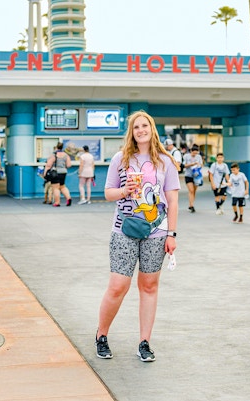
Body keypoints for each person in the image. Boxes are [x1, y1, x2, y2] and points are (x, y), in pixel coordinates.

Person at [96, 110, 180, 363]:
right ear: (131, 132)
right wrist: (124, 190)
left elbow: (173, 201)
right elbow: (108, 193)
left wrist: (172, 234)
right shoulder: (120, 159)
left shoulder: (165, 161)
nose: (141, 130)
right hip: (124, 230)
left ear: (152, 128)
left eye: (145, 125)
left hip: (157, 231)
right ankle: (101, 334)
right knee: (118, 286)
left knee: (149, 286)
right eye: (136, 127)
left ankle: (144, 342)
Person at [43, 142, 72, 207]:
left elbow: (48, 165)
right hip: (63, 172)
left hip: (55, 173)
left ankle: (57, 202)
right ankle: (68, 198)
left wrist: (45, 173)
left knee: (55, 188)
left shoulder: (54, 155)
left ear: (56, 147)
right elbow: (69, 165)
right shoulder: (66, 155)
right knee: (63, 186)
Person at [182, 144, 203, 213]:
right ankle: (191, 206)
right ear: (191, 151)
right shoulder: (186, 156)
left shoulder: (199, 157)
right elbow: (184, 165)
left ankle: (191, 204)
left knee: (194, 191)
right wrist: (192, 164)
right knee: (191, 190)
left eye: (196, 153)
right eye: (193, 153)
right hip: (188, 175)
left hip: (196, 176)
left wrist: (198, 166)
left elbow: (201, 164)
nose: (195, 155)